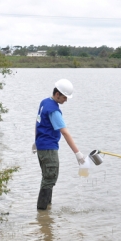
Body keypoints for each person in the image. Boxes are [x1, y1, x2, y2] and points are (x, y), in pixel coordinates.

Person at [33, 79, 85, 210]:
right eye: (64, 97)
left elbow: (37, 122)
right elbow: (65, 133)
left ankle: (45, 217)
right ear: (57, 94)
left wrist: (36, 141)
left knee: (47, 178)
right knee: (50, 178)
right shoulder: (53, 111)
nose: (66, 100)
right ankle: (42, 210)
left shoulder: (44, 102)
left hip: (41, 146)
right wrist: (77, 153)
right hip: (49, 148)